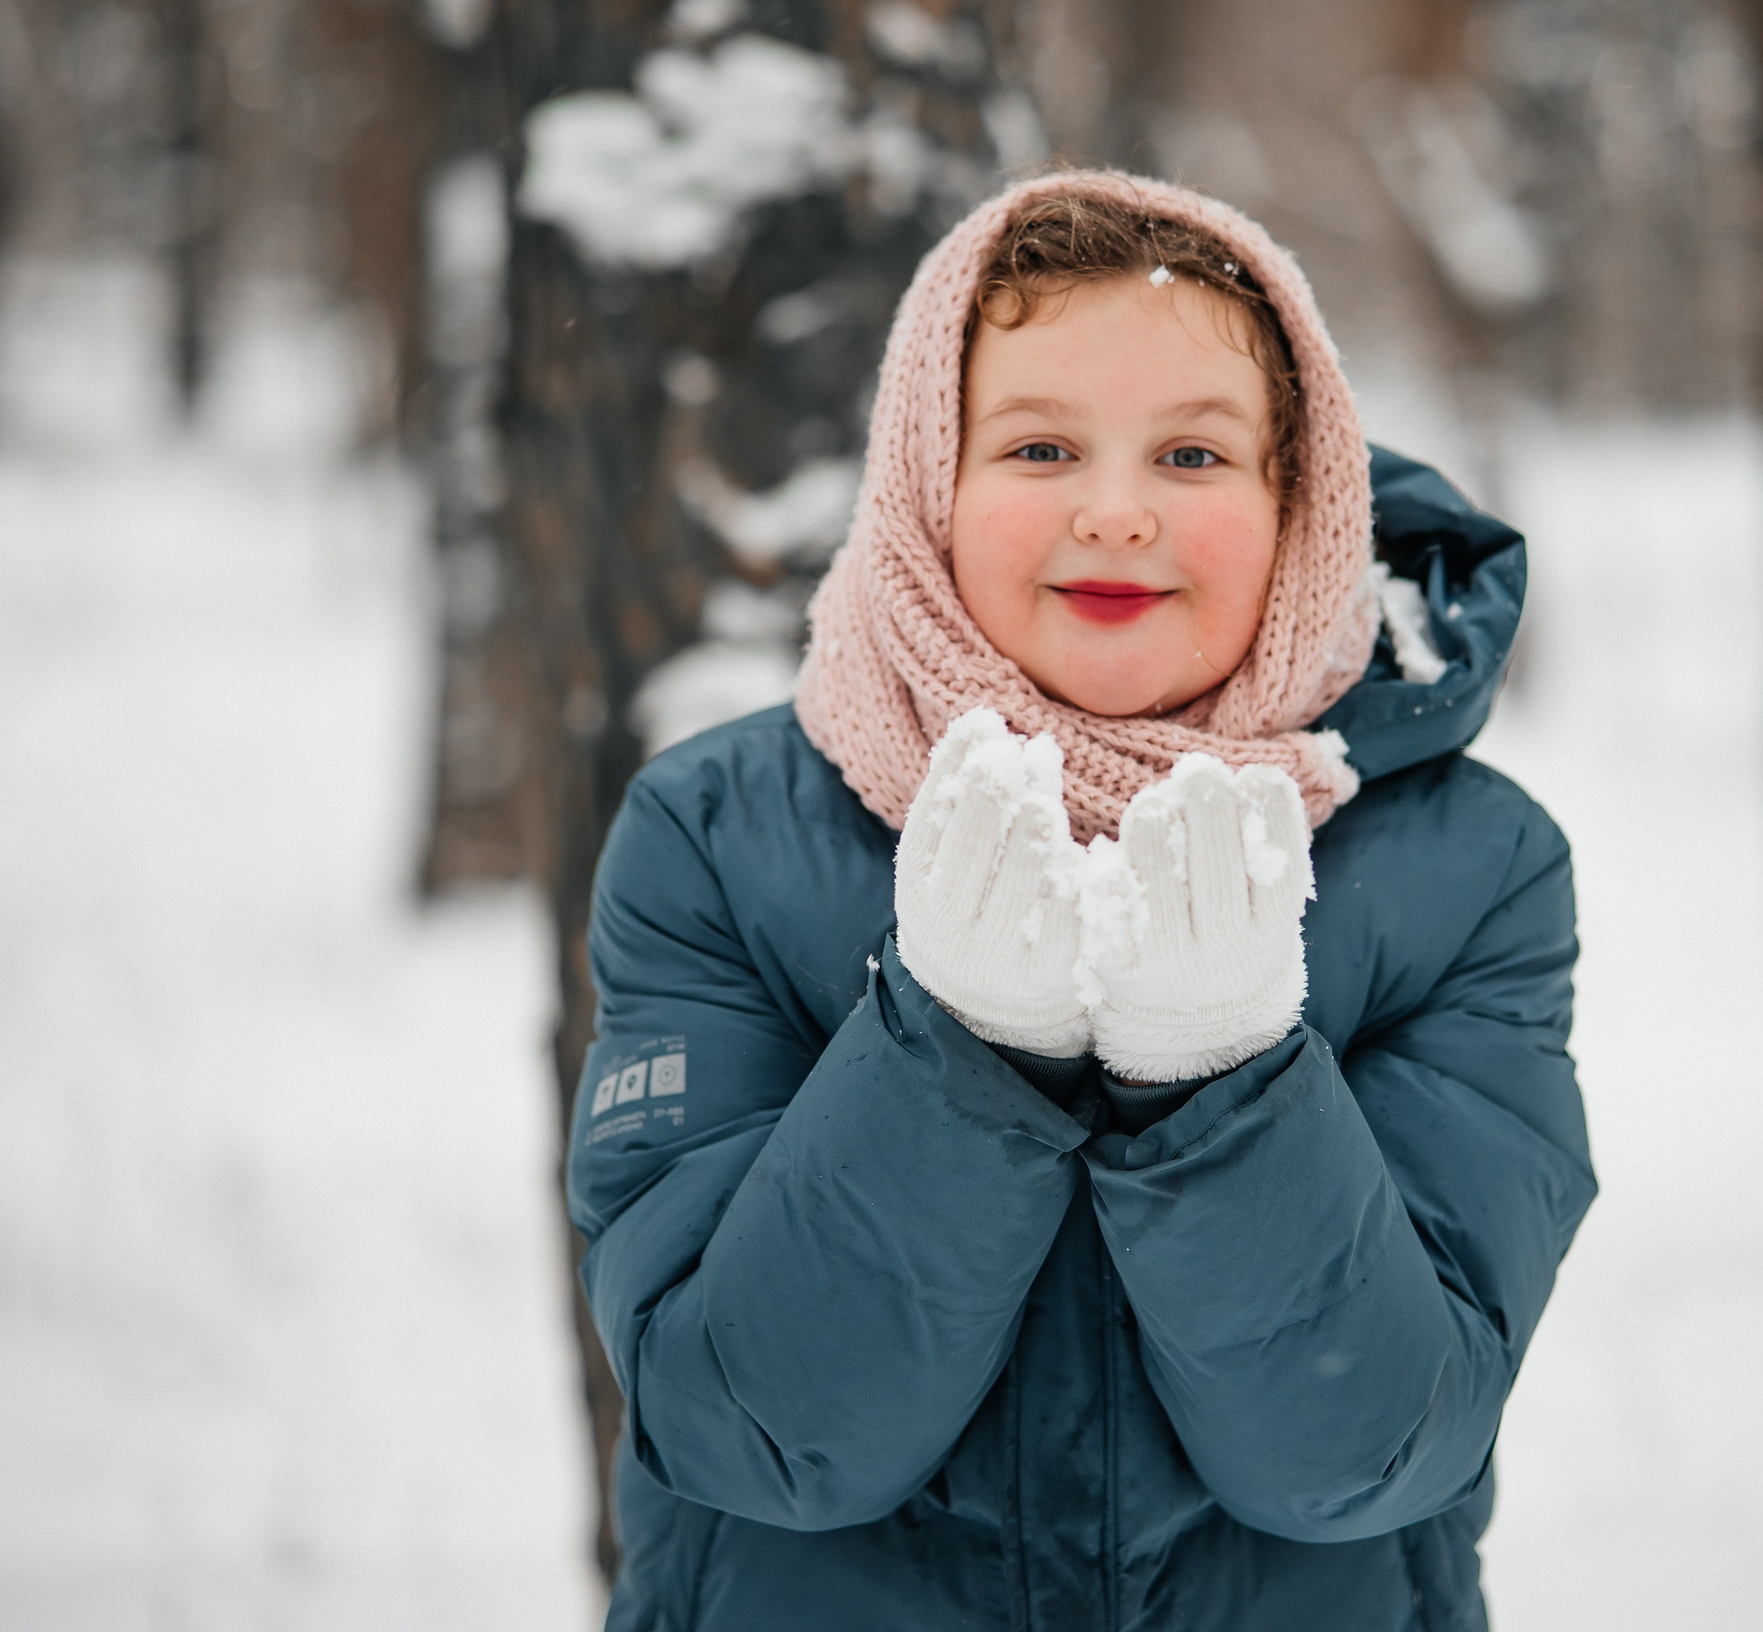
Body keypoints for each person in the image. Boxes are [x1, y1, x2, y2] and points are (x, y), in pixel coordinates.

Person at [568, 170, 1593, 1632]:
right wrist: (955, 1047)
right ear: (930, 480)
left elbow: (1361, 1454)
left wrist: (1221, 1073)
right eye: (1041, 446)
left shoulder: (1469, 872)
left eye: (1192, 454)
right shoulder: (718, 841)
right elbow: (761, 1433)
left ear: (1298, 502)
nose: (1115, 513)